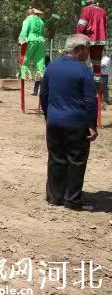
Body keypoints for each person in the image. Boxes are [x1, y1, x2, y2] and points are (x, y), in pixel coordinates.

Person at [39, 34, 98, 210]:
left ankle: (54, 197)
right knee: (76, 160)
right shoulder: (83, 70)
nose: (88, 53)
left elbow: (44, 94)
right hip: (76, 123)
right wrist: (92, 125)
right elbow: (90, 100)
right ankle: (72, 200)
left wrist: (47, 116)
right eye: (87, 49)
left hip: (54, 122)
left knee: (56, 158)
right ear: (78, 49)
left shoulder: (51, 67)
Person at [75, 0, 107, 80]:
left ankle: (82, 86)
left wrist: (77, 37)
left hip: (88, 39)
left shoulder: (86, 9)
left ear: (87, 4)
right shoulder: (103, 11)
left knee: (81, 63)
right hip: (100, 41)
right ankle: (98, 91)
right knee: (97, 66)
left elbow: (81, 25)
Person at [19, 6, 46, 95]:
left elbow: (24, 30)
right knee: (40, 61)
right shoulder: (41, 21)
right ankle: (40, 75)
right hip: (41, 41)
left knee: (25, 59)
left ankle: (26, 75)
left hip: (31, 40)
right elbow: (43, 32)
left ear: (27, 14)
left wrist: (21, 40)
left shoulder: (27, 19)